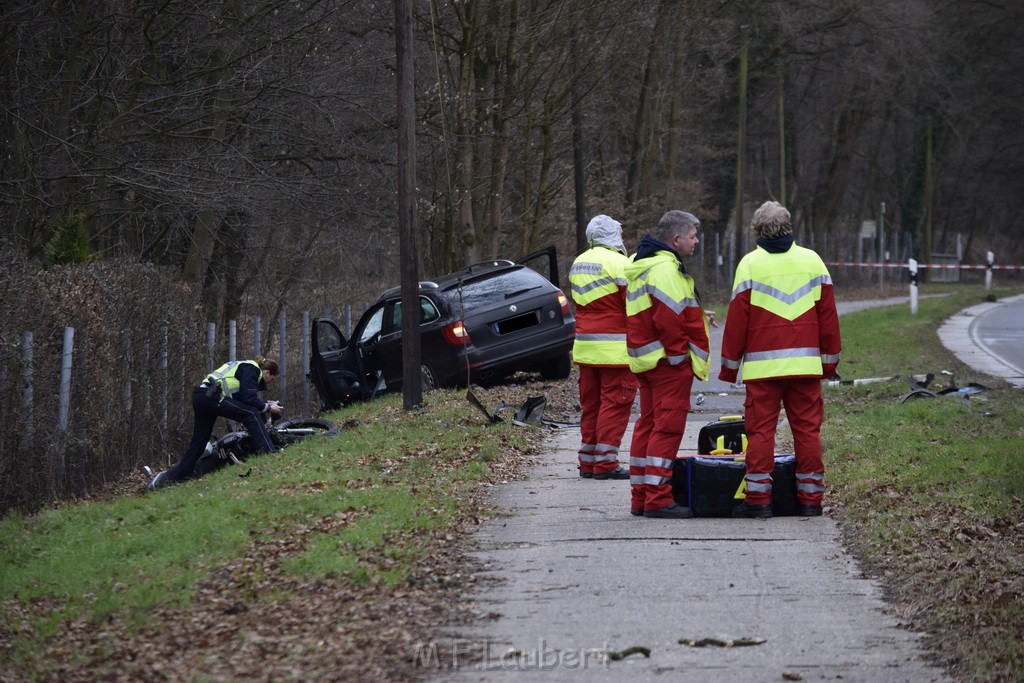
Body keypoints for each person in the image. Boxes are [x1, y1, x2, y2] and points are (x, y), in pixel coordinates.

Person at [718, 200, 841, 518]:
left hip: (763, 370)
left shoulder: (749, 264)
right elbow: (828, 317)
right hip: (805, 367)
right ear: (789, 227)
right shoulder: (812, 261)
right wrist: (829, 363)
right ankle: (811, 501)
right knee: (807, 432)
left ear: (757, 230)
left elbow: (736, 323)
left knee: (761, 433)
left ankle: (758, 502)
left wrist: (729, 368)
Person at [625, 210, 711, 518]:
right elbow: (669, 319)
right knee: (667, 429)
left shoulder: (644, 265)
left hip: (649, 361)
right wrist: (679, 359)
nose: (696, 241)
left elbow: (663, 312)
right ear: (676, 239)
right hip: (668, 363)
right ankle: (659, 500)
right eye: (692, 236)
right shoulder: (665, 271)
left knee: (647, 425)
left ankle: (642, 496)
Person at [569, 214, 638, 480]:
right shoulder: (620, 263)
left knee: (591, 404)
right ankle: (606, 463)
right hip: (615, 350)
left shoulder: (579, 262)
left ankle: (587, 462)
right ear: (614, 235)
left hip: (585, 348)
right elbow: (632, 305)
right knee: (615, 404)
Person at [147, 357, 284, 490]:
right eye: (271, 379)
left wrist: (265, 405)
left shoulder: (242, 366)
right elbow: (249, 397)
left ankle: (176, 479)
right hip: (212, 397)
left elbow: (243, 400)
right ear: (266, 372)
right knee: (251, 414)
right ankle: (268, 454)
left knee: (199, 443)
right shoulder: (253, 369)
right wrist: (268, 408)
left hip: (201, 396)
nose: (268, 383)